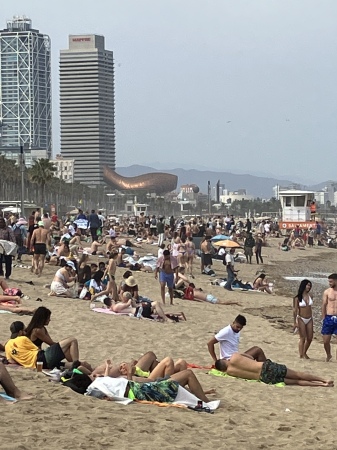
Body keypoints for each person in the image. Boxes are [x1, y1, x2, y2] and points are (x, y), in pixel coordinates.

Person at [215, 353, 333, 387]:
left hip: (264, 378)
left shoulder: (230, 372)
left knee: (296, 382)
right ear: (224, 360)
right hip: (265, 367)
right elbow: (251, 358)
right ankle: (323, 379)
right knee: (297, 374)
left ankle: (322, 385)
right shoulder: (235, 357)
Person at [6, 321, 81, 370]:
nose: (26, 332)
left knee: (66, 363)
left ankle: (75, 366)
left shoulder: (7, 346)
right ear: (20, 332)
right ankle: (76, 364)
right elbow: (37, 350)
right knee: (72, 340)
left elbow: (11, 361)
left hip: (39, 366)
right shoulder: (22, 339)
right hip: (41, 358)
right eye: (24, 330)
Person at [293, 279, 314, 359]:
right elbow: (295, 310)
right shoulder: (297, 298)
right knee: (302, 338)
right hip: (301, 318)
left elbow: (310, 307)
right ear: (303, 285)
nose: (308, 287)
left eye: (309, 285)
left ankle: (304, 352)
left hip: (310, 318)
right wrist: (295, 322)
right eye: (307, 285)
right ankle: (301, 355)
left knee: (310, 338)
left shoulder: (310, 295)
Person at [321, 273, 337, 361]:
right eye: (329, 282)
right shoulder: (327, 291)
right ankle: (329, 354)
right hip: (329, 317)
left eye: (331, 281)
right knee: (326, 341)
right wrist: (323, 317)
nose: (329, 283)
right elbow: (324, 304)